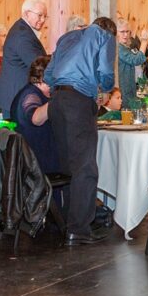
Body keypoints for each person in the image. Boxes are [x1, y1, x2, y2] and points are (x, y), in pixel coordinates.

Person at [44, 16, 116, 245]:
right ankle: (79, 229)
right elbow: (105, 71)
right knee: (85, 167)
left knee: (67, 165)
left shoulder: (66, 37)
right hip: (78, 101)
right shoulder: (105, 37)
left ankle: (65, 221)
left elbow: (47, 74)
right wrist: (105, 89)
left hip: (57, 101)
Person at [0, 0, 48, 118]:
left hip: (16, 97)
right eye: (40, 15)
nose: (43, 20)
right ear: (26, 13)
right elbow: (37, 64)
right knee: (18, 136)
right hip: (16, 98)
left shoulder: (23, 30)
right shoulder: (22, 34)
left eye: (45, 16)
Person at [10, 55, 61, 176]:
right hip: (37, 161)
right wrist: (60, 98)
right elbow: (36, 118)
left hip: (34, 155)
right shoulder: (30, 95)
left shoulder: (33, 91)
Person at [115, 17, 148, 110]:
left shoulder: (125, 46)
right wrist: (144, 41)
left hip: (133, 89)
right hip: (125, 93)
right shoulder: (119, 48)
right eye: (122, 32)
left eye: (128, 31)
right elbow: (136, 60)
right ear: (116, 32)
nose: (126, 35)